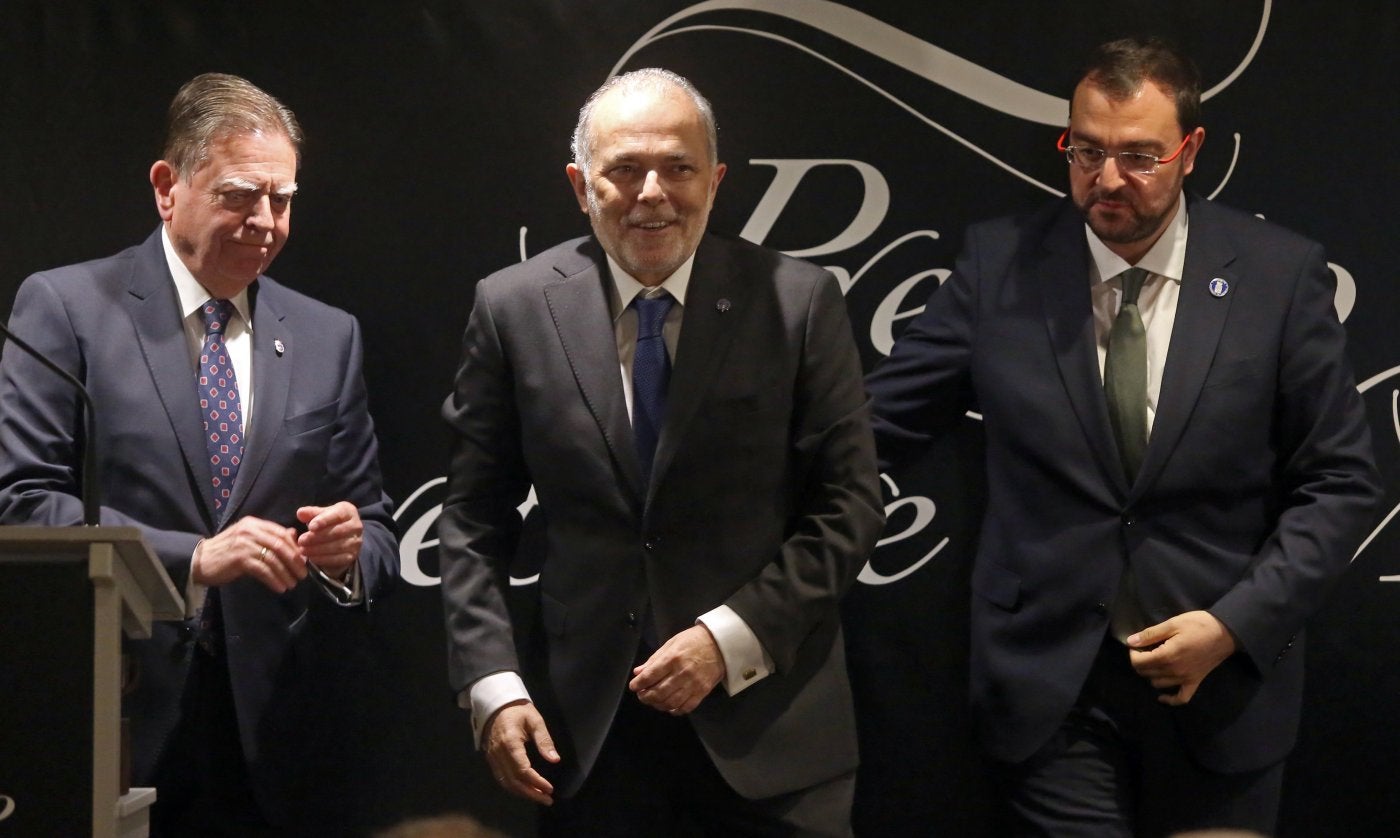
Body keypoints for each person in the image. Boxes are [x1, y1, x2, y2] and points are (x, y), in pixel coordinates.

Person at [865, 38, 1381, 837]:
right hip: (1048, 690)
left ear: (1190, 151)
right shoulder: (999, 266)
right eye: (1086, 151)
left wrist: (1236, 624)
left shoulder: (1278, 278)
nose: (1106, 179)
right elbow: (873, 429)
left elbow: (1343, 482)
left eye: (1139, 155)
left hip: (1224, 687)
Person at [438, 68, 884, 836]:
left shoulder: (800, 301)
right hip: (587, 743)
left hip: (771, 739)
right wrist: (492, 683)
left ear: (714, 180)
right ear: (581, 185)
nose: (653, 193)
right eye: (625, 169)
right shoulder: (510, 308)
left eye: (678, 168)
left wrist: (727, 638)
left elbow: (849, 507)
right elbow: (473, 515)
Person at [0, 73, 398, 835]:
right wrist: (191, 558)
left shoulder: (327, 335)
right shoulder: (65, 310)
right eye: (240, 195)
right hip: (108, 714)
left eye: (281, 200)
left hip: (274, 739)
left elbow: (376, 529)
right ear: (166, 186)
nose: (265, 222)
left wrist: (347, 551)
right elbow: (21, 502)